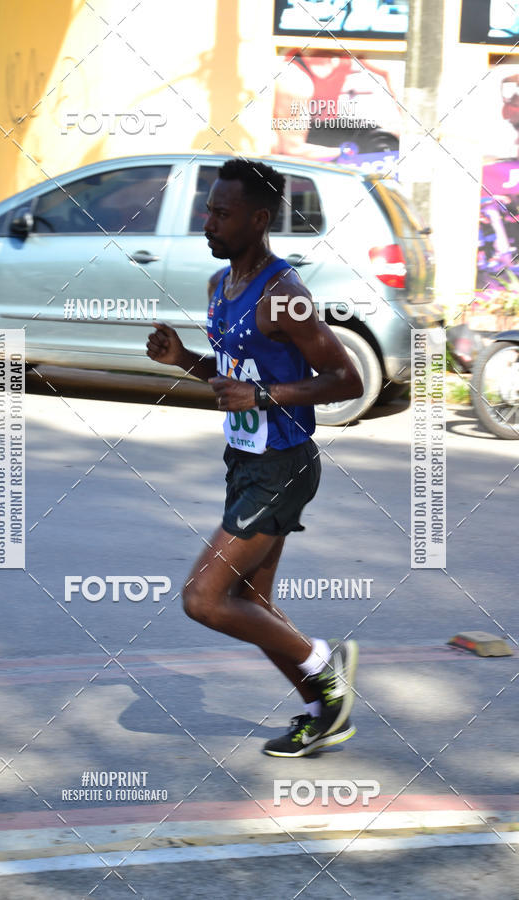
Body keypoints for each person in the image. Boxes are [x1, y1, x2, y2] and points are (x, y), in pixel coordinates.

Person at [146, 158, 363, 757]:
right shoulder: (221, 287)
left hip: (282, 465)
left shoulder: (284, 296)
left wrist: (266, 396)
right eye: (208, 209)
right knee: (255, 604)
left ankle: (325, 665)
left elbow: (346, 379)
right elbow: (235, 379)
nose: (207, 222)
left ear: (259, 219)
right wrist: (184, 360)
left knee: (204, 598)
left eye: (221, 213)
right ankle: (326, 713)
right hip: (245, 460)